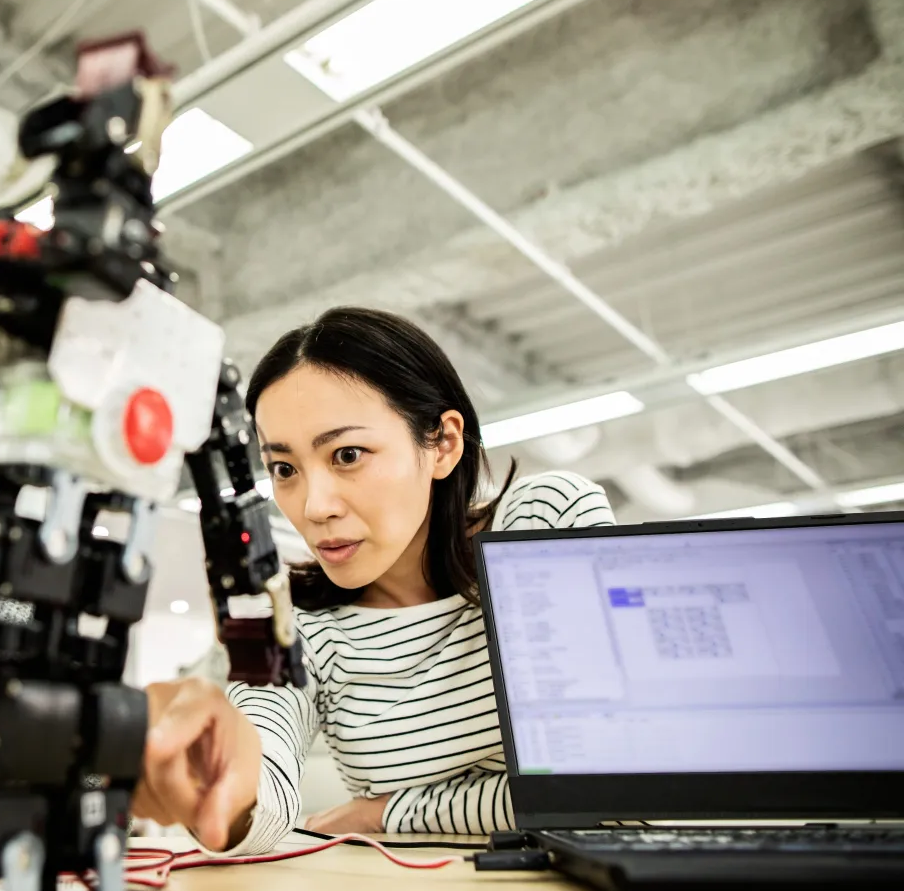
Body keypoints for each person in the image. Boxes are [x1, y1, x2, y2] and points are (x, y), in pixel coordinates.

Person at [135, 307, 616, 854]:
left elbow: (615, 778)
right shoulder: (301, 627)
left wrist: (387, 811)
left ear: (443, 444)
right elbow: (261, 798)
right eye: (285, 469)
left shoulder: (542, 519)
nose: (314, 507)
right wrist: (224, 778)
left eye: (347, 455)